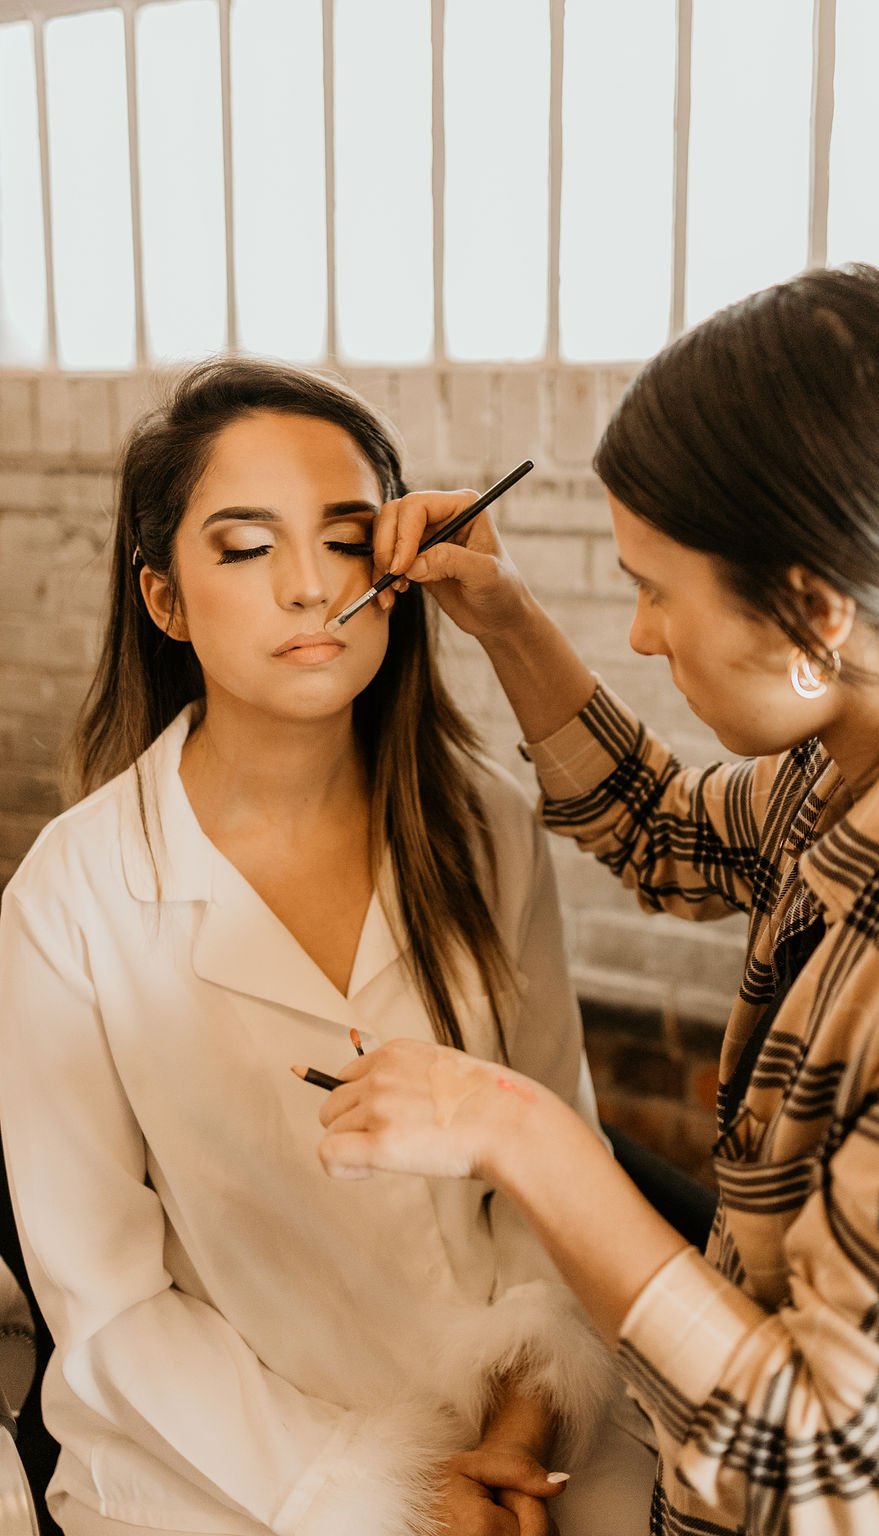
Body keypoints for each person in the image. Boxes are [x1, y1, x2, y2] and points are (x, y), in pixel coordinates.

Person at [312, 265, 879, 1535]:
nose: (639, 636)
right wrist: (505, 614)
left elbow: (836, 1482)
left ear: (812, 610)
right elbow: (668, 835)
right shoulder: (877, 735)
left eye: (656, 590)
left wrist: (524, 1135)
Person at [0, 358, 658, 1536]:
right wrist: (391, 1495)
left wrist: (515, 1433)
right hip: (229, 1464)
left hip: (528, 1444)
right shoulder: (74, 893)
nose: (309, 588)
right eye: (247, 550)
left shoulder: (486, 826)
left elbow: (552, 1165)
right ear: (163, 601)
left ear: (402, 568)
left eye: (348, 539)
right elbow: (107, 1305)